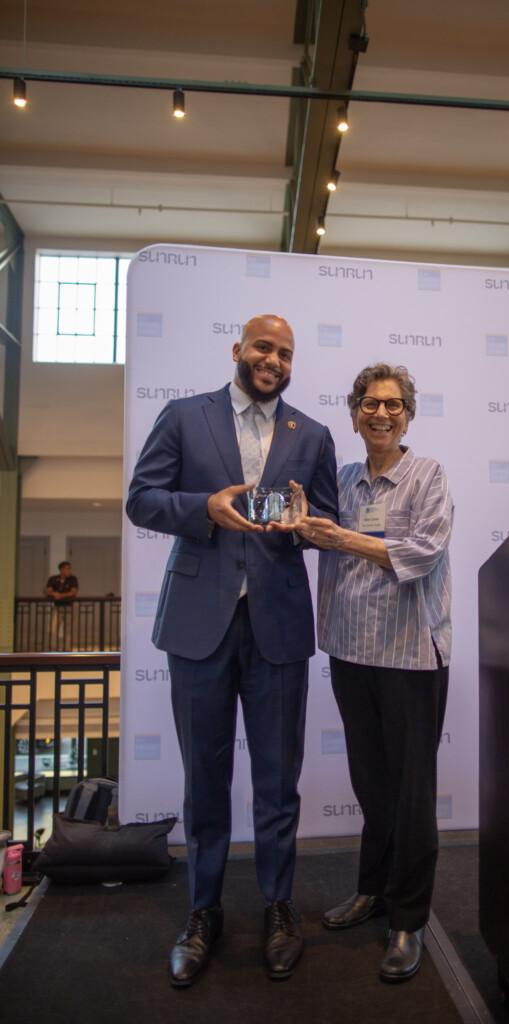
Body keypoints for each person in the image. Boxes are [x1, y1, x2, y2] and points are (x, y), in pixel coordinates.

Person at [126, 314, 338, 986]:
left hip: (276, 626)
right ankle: (203, 912)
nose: (272, 358)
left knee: (277, 784)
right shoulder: (185, 416)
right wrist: (201, 508)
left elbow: (323, 525)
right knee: (204, 782)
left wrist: (307, 525)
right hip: (198, 626)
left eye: (284, 352)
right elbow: (142, 499)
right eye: (262, 347)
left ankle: (278, 907)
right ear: (238, 350)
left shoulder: (314, 434)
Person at [295, 363, 452, 982]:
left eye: (392, 404)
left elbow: (421, 551)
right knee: (371, 785)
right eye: (369, 404)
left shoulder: (429, 475)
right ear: (355, 413)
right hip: (349, 652)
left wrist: (342, 539)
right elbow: (318, 538)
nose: (380, 414)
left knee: (411, 795)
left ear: (408, 413)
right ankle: (373, 890)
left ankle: (409, 919)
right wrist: (304, 524)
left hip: (411, 656)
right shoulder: (342, 479)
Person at [45, 561, 79, 650]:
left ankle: (67, 649)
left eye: (69, 568)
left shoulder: (73, 579)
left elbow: (73, 592)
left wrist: (60, 595)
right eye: (67, 568)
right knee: (53, 628)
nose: (69, 570)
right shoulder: (53, 579)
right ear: (62, 569)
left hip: (70, 607)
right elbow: (48, 591)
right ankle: (53, 649)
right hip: (57, 607)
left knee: (69, 630)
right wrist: (54, 594)